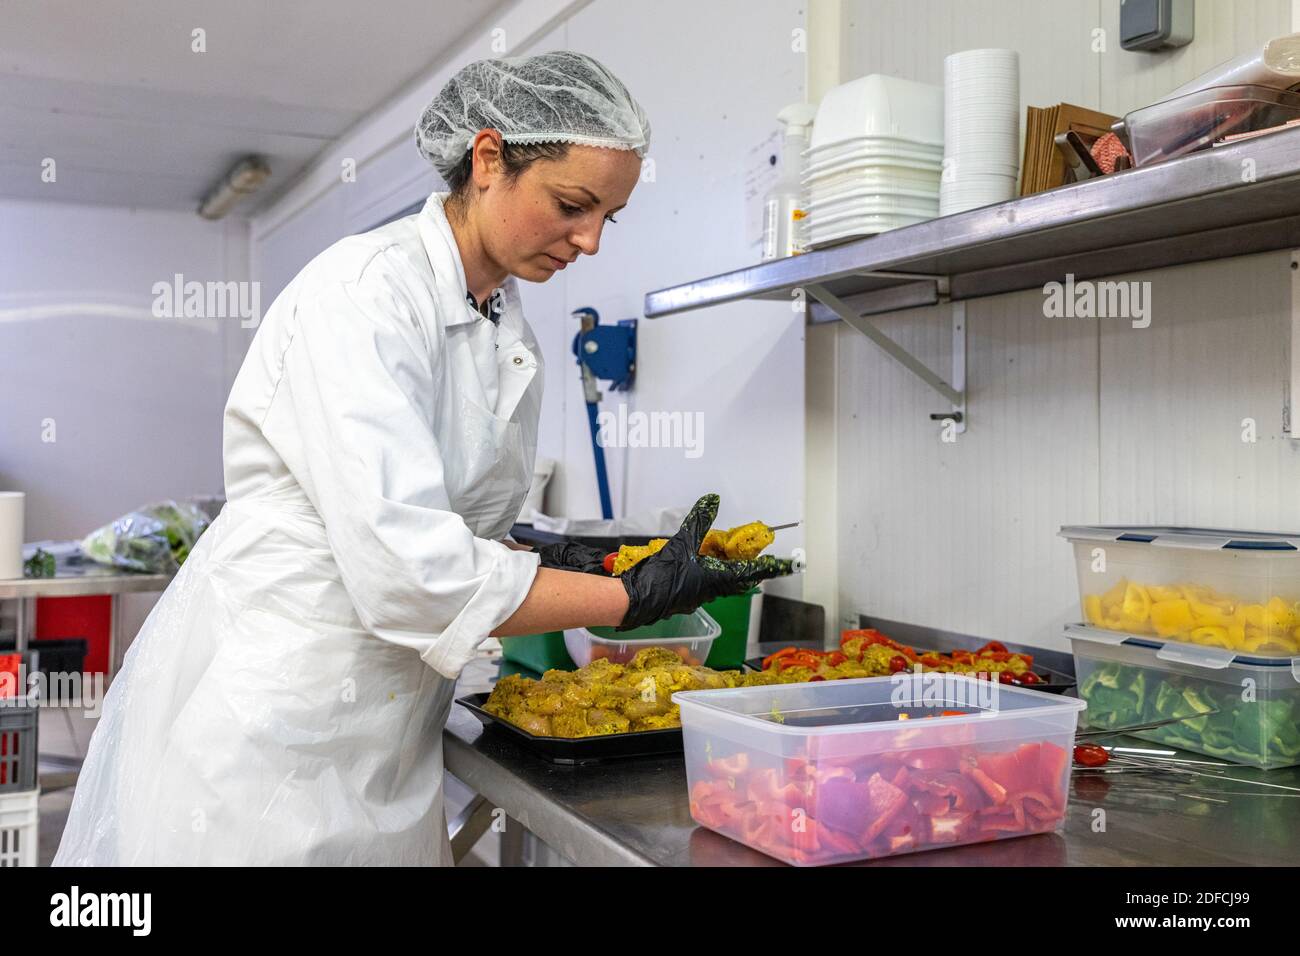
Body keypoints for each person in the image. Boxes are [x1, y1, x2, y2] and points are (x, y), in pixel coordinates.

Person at [54, 51, 787, 866]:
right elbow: (411, 566)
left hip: (386, 726)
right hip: (275, 725)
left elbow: (454, 529)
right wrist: (625, 595)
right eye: (572, 204)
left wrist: (560, 552)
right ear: (486, 159)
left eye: (607, 217)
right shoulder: (363, 295)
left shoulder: (503, 329)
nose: (588, 240)